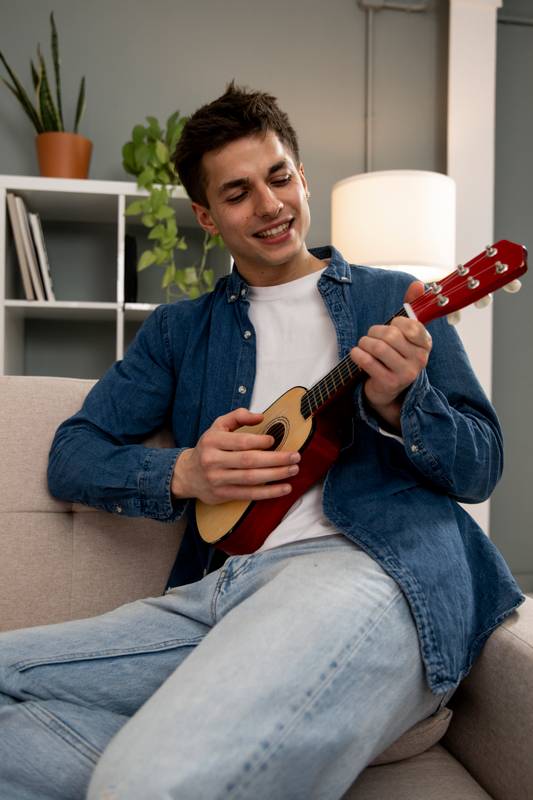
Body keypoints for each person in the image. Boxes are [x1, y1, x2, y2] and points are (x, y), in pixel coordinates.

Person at [0, 83, 524, 800]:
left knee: (147, 780)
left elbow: (479, 467)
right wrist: (184, 472)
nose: (270, 204)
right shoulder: (179, 332)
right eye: (238, 192)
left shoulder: (392, 302)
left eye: (279, 177)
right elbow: (74, 453)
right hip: (215, 592)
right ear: (206, 217)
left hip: (366, 571)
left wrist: (403, 403)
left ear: (302, 177)